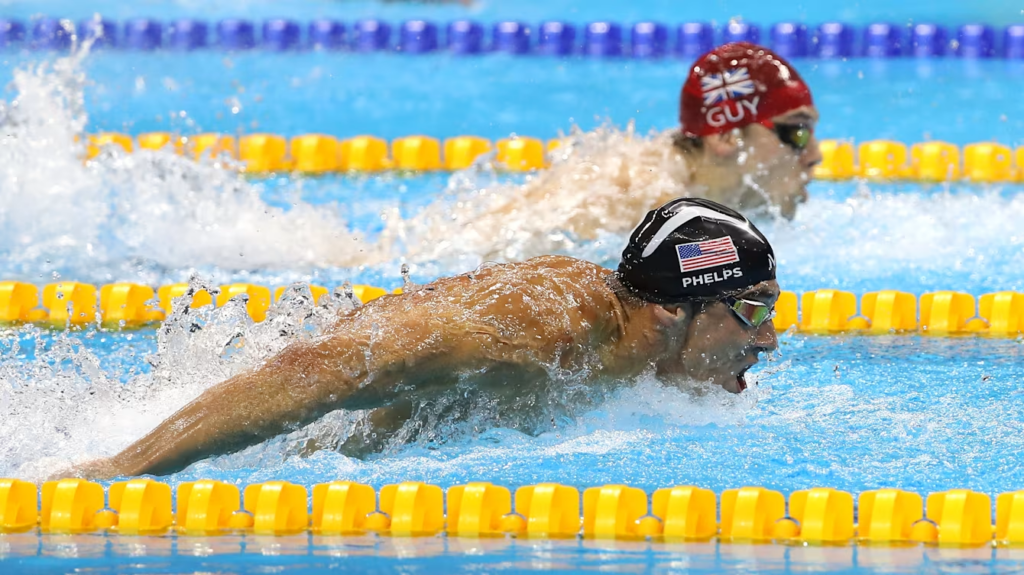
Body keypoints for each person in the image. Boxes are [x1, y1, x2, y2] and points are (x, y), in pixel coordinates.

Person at [74, 198, 780, 479]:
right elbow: (330, 364)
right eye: (750, 310)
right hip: (276, 448)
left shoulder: (636, 347)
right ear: (671, 312)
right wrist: (122, 468)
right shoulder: (549, 332)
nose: (770, 340)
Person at [386, 41, 822, 264]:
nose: (815, 155)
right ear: (726, 137)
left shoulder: (689, 191)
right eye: (797, 133)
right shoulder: (647, 201)